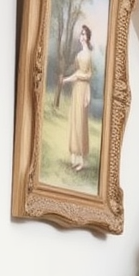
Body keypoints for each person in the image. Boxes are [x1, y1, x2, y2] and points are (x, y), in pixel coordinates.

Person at [62, 25, 94, 172]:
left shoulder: (89, 55)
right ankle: (75, 158)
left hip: (83, 90)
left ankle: (82, 158)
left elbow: (87, 75)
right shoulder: (79, 54)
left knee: (81, 123)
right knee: (75, 121)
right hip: (76, 90)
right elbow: (76, 73)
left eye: (84, 34)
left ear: (88, 37)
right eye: (81, 34)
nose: (82, 37)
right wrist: (67, 80)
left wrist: (88, 93)